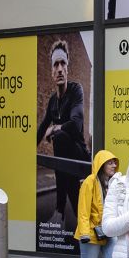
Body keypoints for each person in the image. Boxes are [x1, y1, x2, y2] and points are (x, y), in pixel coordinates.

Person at [37, 40, 90, 230]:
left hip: (80, 156)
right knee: (76, 202)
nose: (59, 69)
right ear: (52, 72)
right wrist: (26, 153)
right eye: (55, 65)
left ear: (68, 67)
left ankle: (59, 210)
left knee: (59, 138)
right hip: (65, 162)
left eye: (63, 64)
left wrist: (56, 128)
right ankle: (75, 216)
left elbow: (76, 125)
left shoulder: (76, 90)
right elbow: (42, 128)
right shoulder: (52, 101)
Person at [66, 150, 120, 258]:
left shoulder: (110, 183)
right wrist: (84, 234)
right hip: (90, 233)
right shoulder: (89, 182)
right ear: (101, 165)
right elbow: (83, 210)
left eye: (114, 162)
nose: (114, 165)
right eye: (110, 163)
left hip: (107, 231)